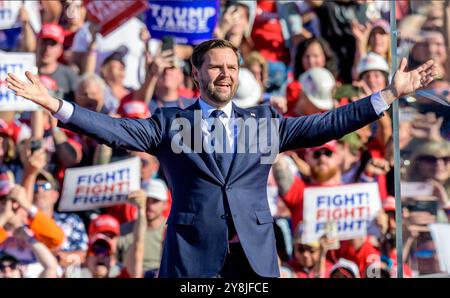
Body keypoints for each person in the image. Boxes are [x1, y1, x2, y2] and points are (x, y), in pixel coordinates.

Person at [6, 38, 437, 278]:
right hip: (193, 259)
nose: (225, 74)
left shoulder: (266, 121)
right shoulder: (169, 123)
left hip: (254, 258)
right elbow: (114, 128)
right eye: (215, 67)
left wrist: (389, 95)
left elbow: (327, 125)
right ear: (197, 74)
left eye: (232, 67)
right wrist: (55, 104)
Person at [117, 178, 168, 278]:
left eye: (155, 201)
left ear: (165, 204)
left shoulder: (171, 230)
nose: (149, 205)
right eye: (146, 200)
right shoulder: (124, 230)